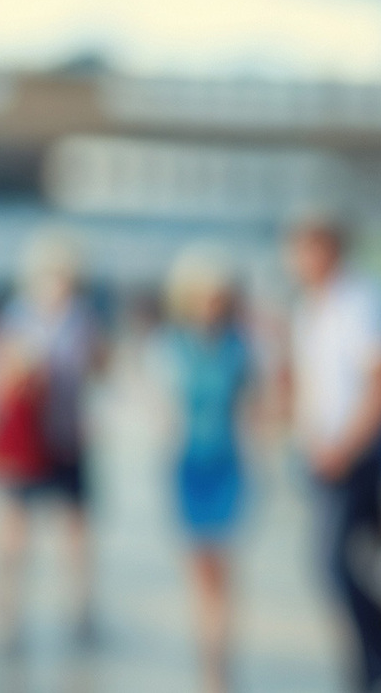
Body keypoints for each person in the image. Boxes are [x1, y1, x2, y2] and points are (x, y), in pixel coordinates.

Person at [283, 216, 381, 691]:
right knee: (335, 568)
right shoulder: (314, 307)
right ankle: (376, 660)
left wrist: (346, 445)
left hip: (353, 456)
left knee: (334, 566)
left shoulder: (360, 302)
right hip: (323, 453)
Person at [0, 231, 104, 648]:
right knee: (15, 528)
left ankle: (81, 611)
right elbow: (0, 378)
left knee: (76, 528)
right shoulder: (17, 316)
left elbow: (97, 368)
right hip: (29, 439)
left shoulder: (82, 318)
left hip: (67, 435)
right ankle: (7, 611)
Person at [164, 246, 257, 692]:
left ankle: (220, 654)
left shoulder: (240, 347)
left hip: (228, 462)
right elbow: (162, 403)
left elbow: (259, 404)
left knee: (222, 564)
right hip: (188, 463)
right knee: (198, 564)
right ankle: (207, 647)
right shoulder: (174, 344)